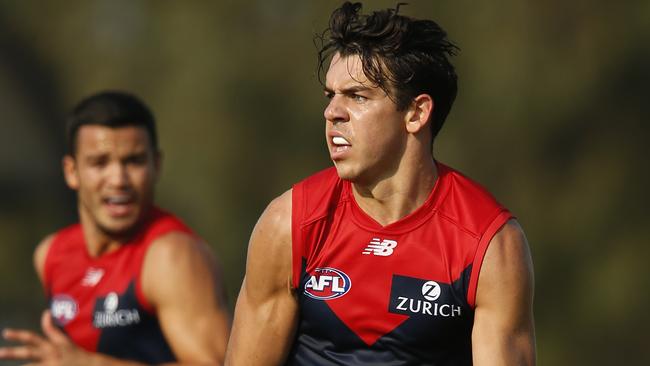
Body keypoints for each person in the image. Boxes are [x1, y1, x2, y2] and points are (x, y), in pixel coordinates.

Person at [226, 2, 535, 365]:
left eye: (357, 96)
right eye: (331, 96)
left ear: (416, 113)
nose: (332, 113)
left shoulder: (489, 244)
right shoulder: (290, 224)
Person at [0, 91, 230, 365]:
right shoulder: (50, 254)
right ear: (71, 172)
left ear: (156, 166)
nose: (119, 179)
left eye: (134, 161)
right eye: (99, 163)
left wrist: (91, 364)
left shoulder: (173, 257)